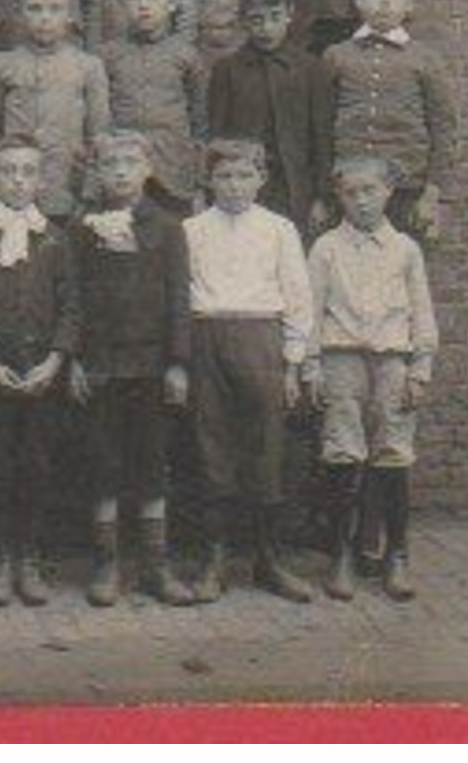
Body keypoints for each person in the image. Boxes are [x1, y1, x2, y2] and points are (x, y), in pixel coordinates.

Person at [183, 139, 316, 604]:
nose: (235, 186)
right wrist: (182, 360)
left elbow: (297, 294)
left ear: (261, 179)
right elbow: (182, 296)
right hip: (208, 337)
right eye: (224, 176)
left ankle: (268, 559)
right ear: (209, 181)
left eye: (244, 176)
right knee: (211, 446)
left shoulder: (279, 229)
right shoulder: (193, 229)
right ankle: (215, 559)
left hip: (262, 339)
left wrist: (292, 363)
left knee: (267, 448)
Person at [69, 131, 194, 608]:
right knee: (104, 462)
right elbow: (74, 296)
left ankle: (155, 566)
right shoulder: (83, 227)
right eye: (109, 163)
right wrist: (77, 357)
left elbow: (179, 298)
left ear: (148, 169)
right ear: (95, 172)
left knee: (152, 464)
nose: (120, 171)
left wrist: (178, 363)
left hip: (152, 366)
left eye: (130, 162)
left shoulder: (167, 226)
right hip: (101, 365)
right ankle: (107, 564)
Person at [306, 156, 438, 602]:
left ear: (388, 192)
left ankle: (396, 554)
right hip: (340, 360)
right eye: (351, 192)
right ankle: (341, 554)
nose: (361, 201)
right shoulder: (325, 247)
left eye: (370, 191)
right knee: (342, 452)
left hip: (391, 361)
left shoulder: (405, 249)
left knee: (393, 452)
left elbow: (422, 311)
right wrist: (310, 366)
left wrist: (420, 367)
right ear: (338, 196)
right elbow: (311, 310)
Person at [0, 134, 77, 606]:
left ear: (41, 179)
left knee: (36, 461)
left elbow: (71, 307)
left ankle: (28, 556)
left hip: (41, 374)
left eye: (28, 171)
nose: (18, 180)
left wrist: (55, 359)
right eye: (8, 170)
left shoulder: (54, 237)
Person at [317, 0, 457, 243]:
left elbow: (444, 129)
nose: (385, 1)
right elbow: (320, 128)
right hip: (348, 188)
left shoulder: (426, 59)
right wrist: (322, 193)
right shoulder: (336, 56)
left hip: (406, 189)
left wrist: (432, 194)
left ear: (410, 4)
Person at [208, 0, 332, 235]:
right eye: (256, 20)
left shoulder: (311, 69)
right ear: (243, 21)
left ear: (290, 14)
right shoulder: (227, 70)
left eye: (275, 17)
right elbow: (215, 138)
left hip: (296, 187)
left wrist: (321, 197)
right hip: (243, 187)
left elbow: (322, 137)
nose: (266, 27)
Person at [0, 0, 111, 221]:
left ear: (69, 16)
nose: (45, 18)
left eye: (55, 9)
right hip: (13, 185)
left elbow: (98, 134)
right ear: (20, 15)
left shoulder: (88, 66)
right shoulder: (1, 65)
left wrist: (89, 191)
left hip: (66, 187)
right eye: (35, 9)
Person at [100, 0, 207, 217]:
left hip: (173, 171)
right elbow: (100, 117)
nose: (143, 4)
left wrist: (199, 182)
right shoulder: (108, 55)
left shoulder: (186, 55)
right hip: (123, 169)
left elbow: (200, 120)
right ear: (123, 4)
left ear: (171, 3)